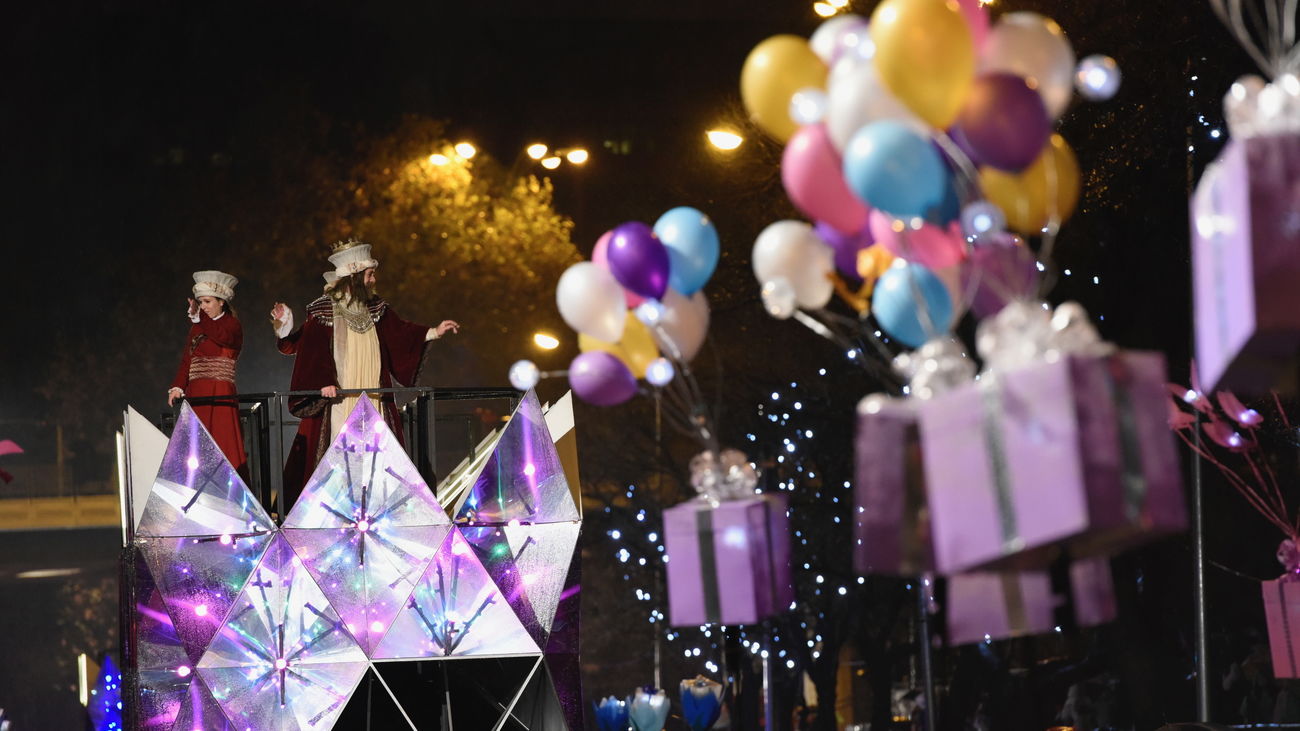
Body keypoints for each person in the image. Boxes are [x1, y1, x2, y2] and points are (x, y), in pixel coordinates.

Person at [271, 239, 459, 508]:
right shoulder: (324, 309)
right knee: (338, 452)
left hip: (373, 394)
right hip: (340, 398)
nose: (373, 280)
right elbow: (312, 350)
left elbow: (399, 332)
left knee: (376, 452)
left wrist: (433, 332)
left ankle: (375, 507)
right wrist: (323, 382)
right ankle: (337, 509)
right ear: (355, 276)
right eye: (369, 274)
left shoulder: (376, 308)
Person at [168, 270, 245, 471]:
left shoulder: (232, 324)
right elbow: (187, 359)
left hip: (220, 393)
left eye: (208, 302)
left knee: (222, 444)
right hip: (197, 393)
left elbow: (224, 338)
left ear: (222, 302)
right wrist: (177, 386)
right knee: (195, 450)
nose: (203, 307)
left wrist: (200, 318)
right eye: (200, 302)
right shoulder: (197, 326)